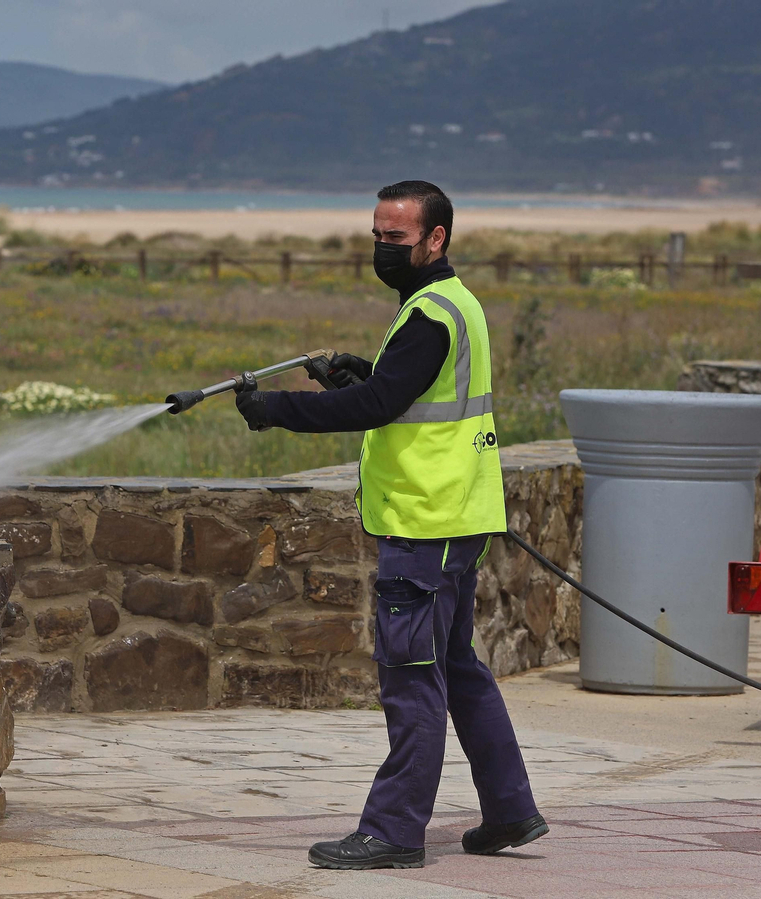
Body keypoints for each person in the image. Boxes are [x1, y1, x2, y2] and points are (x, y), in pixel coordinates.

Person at [234, 180, 546, 869]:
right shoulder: (454, 304)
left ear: (436, 239)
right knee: (458, 667)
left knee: (412, 677)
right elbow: (404, 392)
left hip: (424, 525)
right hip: (458, 519)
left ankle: (395, 831)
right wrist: (360, 373)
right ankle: (511, 810)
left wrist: (278, 408)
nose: (382, 248)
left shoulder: (430, 313)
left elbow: (378, 405)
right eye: (376, 235)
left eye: (396, 238)